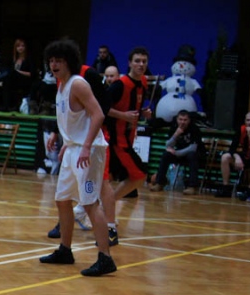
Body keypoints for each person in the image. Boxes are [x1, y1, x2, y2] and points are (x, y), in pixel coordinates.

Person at [39, 39, 116, 277]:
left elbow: (98, 114)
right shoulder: (61, 86)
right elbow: (75, 121)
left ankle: (105, 258)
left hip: (88, 151)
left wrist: (85, 146)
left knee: (90, 203)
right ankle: (65, 250)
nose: (54, 65)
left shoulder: (78, 84)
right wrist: (66, 142)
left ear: (69, 62)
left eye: (59, 61)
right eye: (51, 61)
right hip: (73, 148)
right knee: (62, 200)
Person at [106, 46, 153, 202]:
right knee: (139, 175)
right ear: (130, 63)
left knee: (108, 177)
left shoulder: (143, 82)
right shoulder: (120, 85)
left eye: (144, 61)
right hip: (116, 140)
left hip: (128, 138)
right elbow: (101, 107)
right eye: (137, 61)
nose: (141, 64)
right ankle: (106, 205)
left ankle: (95, 207)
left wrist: (143, 112)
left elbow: (133, 107)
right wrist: (122, 116)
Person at [148, 110, 203, 194]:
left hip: (194, 155)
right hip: (179, 154)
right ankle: (160, 183)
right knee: (166, 155)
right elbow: (168, 145)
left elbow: (193, 148)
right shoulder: (174, 127)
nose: (182, 122)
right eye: (180, 119)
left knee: (192, 155)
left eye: (185, 120)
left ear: (189, 120)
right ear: (177, 119)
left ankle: (192, 186)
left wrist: (177, 153)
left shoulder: (194, 129)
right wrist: (175, 135)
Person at [215, 111, 250, 199]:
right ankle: (226, 188)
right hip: (245, 156)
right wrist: (237, 157)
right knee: (225, 157)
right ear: (245, 121)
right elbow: (232, 148)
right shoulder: (241, 129)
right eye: (248, 120)